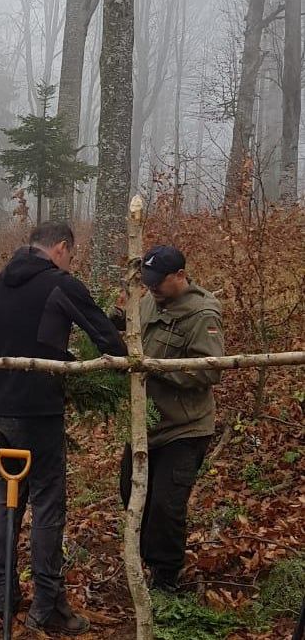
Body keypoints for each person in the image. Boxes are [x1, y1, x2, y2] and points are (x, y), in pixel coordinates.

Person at [0, 221, 127, 636]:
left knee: (6, 500)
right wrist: (127, 360)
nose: (71, 262)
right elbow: (105, 340)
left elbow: (34, 338)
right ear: (61, 248)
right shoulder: (60, 284)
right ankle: (46, 605)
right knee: (47, 504)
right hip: (37, 412)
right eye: (72, 255)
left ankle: (0, 594)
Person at [117, 245, 224, 592]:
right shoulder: (149, 300)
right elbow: (136, 329)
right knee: (131, 491)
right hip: (145, 423)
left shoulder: (202, 313)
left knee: (166, 504)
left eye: (158, 283)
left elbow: (209, 371)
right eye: (147, 284)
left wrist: (157, 370)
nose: (152, 290)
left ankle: (166, 577)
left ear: (180, 276)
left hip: (185, 428)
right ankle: (145, 559)